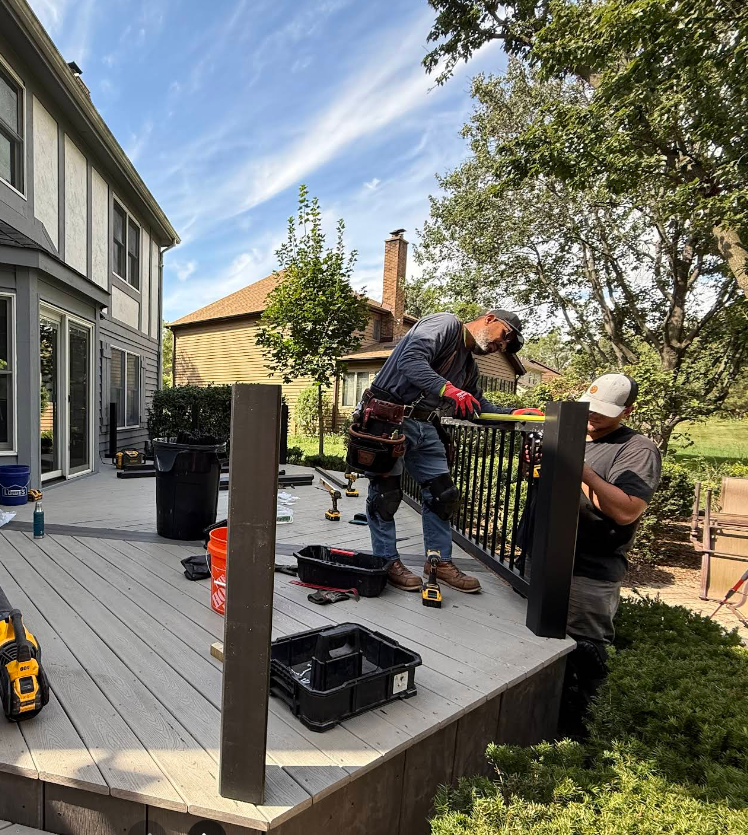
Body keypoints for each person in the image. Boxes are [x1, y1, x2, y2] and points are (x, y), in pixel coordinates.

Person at [361, 309, 526, 593]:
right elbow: (410, 360)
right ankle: (387, 561)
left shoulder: (468, 367)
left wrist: (512, 414)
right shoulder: (446, 324)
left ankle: (439, 563)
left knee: (443, 495)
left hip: (425, 425)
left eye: (506, 346)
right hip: (387, 419)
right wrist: (449, 390)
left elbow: (476, 407)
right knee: (385, 495)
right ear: (489, 319)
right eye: (505, 336)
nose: (501, 345)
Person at [560, 372, 662, 737]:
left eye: (602, 410)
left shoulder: (637, 449)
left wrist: (581, 471)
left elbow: (627, 509)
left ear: (627, 411)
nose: (591, 415)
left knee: (584, 658)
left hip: (589, 571)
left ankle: (583, 738)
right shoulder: (573, 436)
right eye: (588, 406)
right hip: (544, 562)